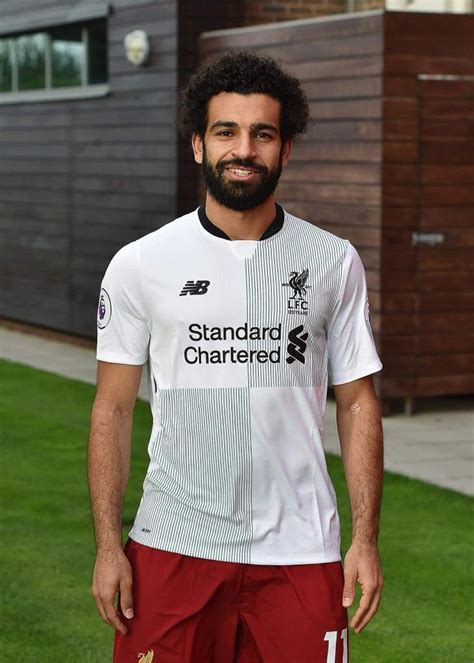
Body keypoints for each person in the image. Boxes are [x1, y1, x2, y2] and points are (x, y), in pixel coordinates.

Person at [88, 51, 384, 663]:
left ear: (285, 149)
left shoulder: (333, 261)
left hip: (302, 552)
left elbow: (357, 403)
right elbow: (112, 408)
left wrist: (365, 540)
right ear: (198, 144)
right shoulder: (141, 263)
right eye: (225, 131)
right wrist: (108, 546)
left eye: (262, 133)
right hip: (174, 544)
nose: (242, 148)